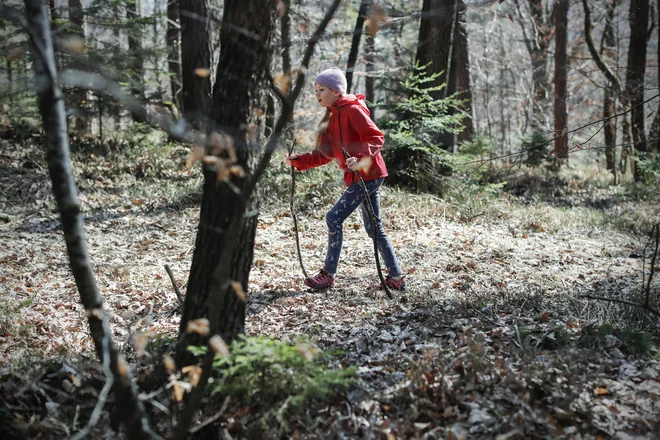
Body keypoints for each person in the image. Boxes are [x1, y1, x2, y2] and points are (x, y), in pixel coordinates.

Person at [285, 67, 406, 291]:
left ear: (336, 92)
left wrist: (359, 158)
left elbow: (376, 137)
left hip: (367, 175)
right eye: (316, 90)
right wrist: (299, 161)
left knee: (333, 218)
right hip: (360, 177)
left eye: (322, 89)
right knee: (374, 229)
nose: (317, 94)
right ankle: (396, 278)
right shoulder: (333, 117)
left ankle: (328, 275)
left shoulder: (352, 111)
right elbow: (326, 153)